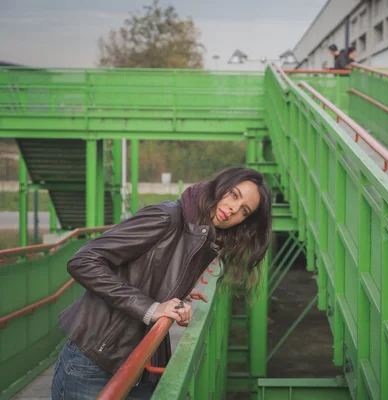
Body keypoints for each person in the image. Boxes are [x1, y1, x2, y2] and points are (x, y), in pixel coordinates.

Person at [51, 167, 272, 400]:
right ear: (220, 187)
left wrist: (176, 289)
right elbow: (83, 261)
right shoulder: (167, 217)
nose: (234, 209)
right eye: (234, 195)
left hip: (140, 362)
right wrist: (151, 307)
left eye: (244, 211)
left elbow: (150, 268)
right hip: (94, 359)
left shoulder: (203, 235)